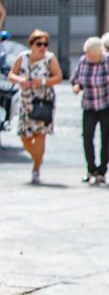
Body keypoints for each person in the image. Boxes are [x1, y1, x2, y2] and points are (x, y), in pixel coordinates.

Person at [6, 29, 62, 184]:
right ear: (31, 44)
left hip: (43, 100)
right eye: (39, 44)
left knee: (39, 135)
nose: (43, 47)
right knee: (24, 136)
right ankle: (37, 159)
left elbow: (58, 77)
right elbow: (11, 75)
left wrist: (42, 82)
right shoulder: (22, 57)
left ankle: (36, 168)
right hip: (26, 101)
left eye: (45, 44)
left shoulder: (50, 59)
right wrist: (20, 80)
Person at [71, 37, 109, 185]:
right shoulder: (83, 61)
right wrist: (76, 87)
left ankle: (101, 172)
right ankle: (90, 168)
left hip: (106, 105)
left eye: (94, 56)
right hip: (89, 105)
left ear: (101, 53)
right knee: (87, 137)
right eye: (89, 55)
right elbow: (76, 80)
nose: (91, 59)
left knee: (105, 139)